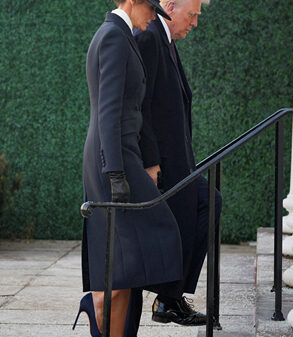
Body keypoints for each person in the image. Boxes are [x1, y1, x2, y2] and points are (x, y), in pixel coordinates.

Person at [75, 1, 182, 336]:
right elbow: (107, 112)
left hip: (120, 156)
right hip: (113, 159)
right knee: (157, 233)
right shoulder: (112, 37)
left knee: (120, 263)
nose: (154, 16)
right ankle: (98, 305)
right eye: (152, 8)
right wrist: (115, 173)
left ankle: (107, 320)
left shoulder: (122, 35)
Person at [134, 0, 222, 326]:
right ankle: (167, 299)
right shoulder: (149, 38)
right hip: (163, 166)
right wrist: (151, 162)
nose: (195, 23)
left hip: (179, 162)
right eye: (193, 14)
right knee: (206, 203)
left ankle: (170, 298)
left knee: (209, 202)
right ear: (170, 6)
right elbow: (139, 104)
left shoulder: (166, 41)